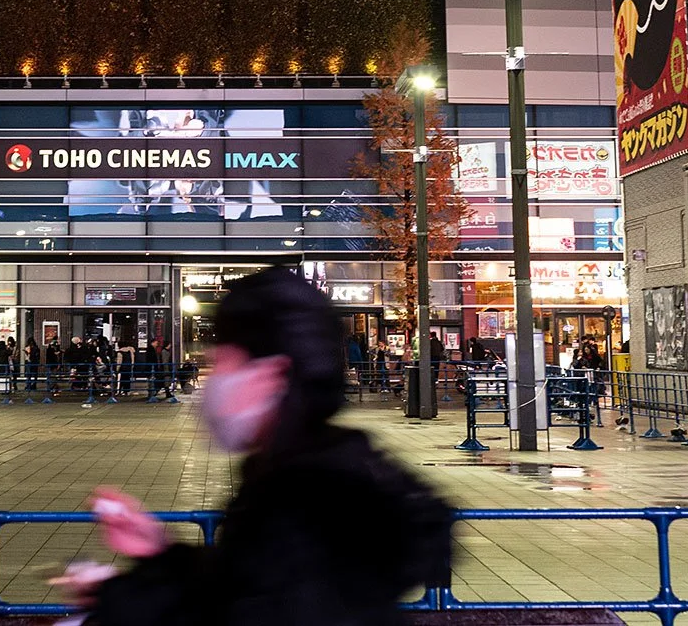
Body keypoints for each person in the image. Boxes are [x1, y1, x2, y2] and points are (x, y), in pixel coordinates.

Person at [59, 268, 453, 626]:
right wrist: (159, 551)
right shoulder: (298, 475)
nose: (213, 381)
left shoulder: (311, 498)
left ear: (273, 374)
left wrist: (115, 602)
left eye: (225, 362)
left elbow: (248, 611)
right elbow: (241, 585)